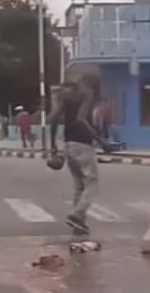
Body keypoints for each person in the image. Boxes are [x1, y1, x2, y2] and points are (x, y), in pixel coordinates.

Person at [50, 74, 111, 235]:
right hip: (83, 144)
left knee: (79, 184)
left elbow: (54, 117)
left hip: (68, 144)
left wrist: (52, 146)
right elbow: (81, 119)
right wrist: (100, 140)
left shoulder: (66, 97)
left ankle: (79, 224)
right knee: (91, 183)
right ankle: (77, 215)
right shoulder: (87, 94)